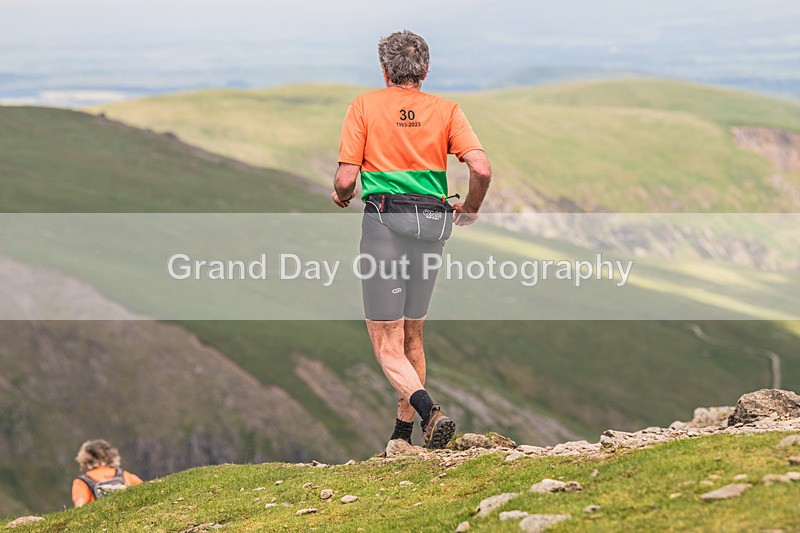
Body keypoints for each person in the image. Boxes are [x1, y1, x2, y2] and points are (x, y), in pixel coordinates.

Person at [333, 30, 492, 449]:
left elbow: (347, 177)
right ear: (425, 70)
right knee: (412, 336)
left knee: (387, 342)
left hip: (385, 226)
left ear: (384, 69)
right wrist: (471, 209)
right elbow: (481, 168)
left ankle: (429, 411)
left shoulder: (365, 106)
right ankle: (403, 436)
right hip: (432, 226)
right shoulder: (447, 110)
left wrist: (342, 195)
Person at [72, 439, 143, 507]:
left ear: (84, 459)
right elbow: (145, 490)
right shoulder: (124, 475)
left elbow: (79, 506)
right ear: (112, 456)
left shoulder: (81, 482)